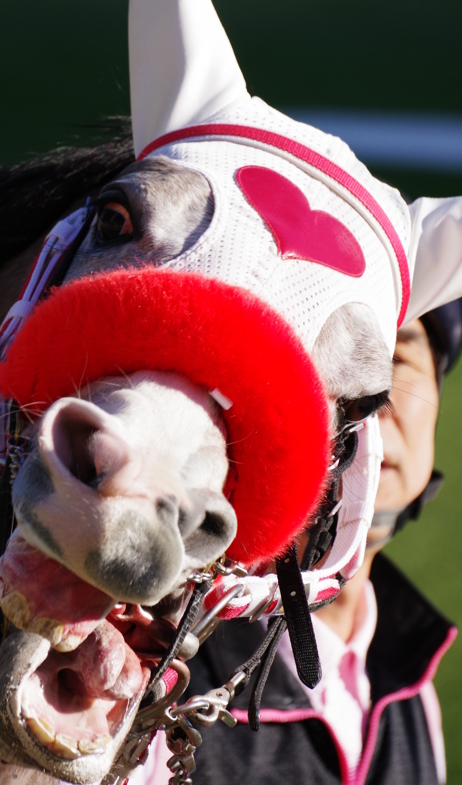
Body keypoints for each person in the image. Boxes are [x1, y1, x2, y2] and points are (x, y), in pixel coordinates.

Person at [140, 300, 460, 785]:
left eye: (395, 359)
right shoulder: (153, 670)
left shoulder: (415, 691)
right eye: (330, 359)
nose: (369, 399)